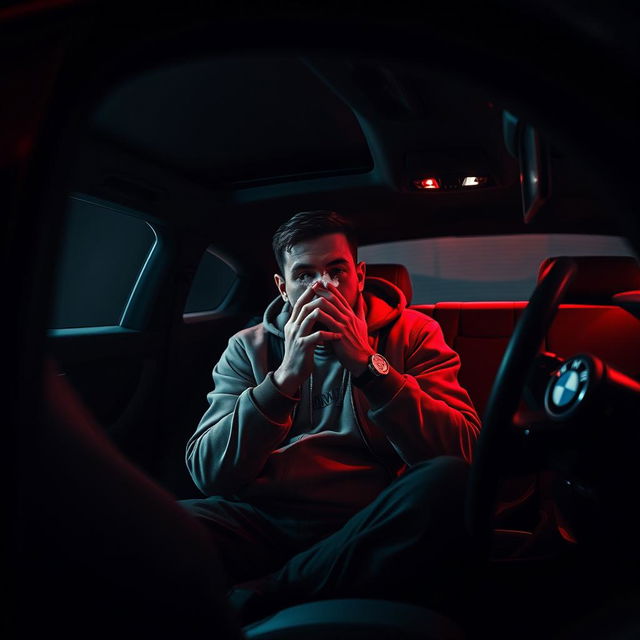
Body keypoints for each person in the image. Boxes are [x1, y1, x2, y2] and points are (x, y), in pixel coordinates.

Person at [181, 210, 481, 624]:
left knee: (448, 482)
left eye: (336, 270)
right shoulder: (246, 347)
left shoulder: (414, 332)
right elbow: (209, 472)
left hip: (370, 520)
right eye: (303, 274)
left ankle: (273, 591)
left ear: (359, 275)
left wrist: (368, 366)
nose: (322, 286)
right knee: (157, 522)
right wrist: (282, 380)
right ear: (281, 287)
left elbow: (465, 451)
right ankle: (308, 582)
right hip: (267, 520)